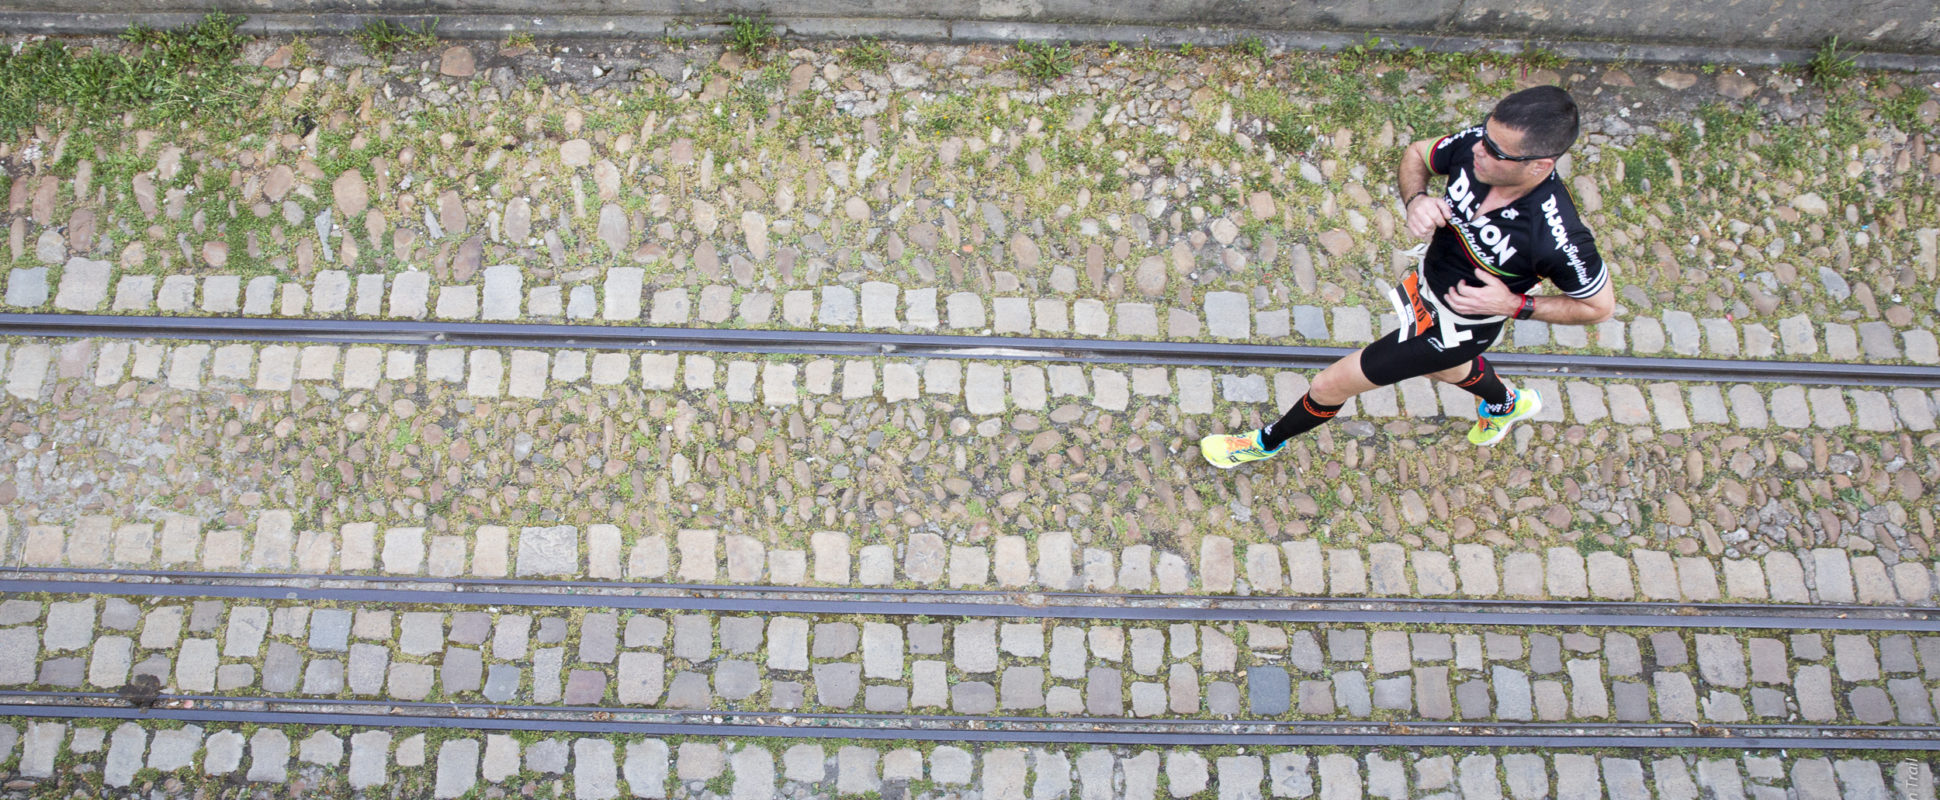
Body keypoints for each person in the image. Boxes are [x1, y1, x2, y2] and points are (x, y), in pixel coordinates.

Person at [1201, 85, 1614, 468]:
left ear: (1540, 165)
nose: (1477, 150)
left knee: (1331, 384)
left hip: (1461, 326)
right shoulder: (1480, 147)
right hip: (1427, 286)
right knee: (1444, 371)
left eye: (1495, 150)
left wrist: (1513, 305)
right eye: (1484, 135)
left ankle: (1265, 442)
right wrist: (1416, 200)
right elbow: (1418, 154)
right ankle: (1507, 404)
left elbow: (1598, 307)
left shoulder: (1556, 237)